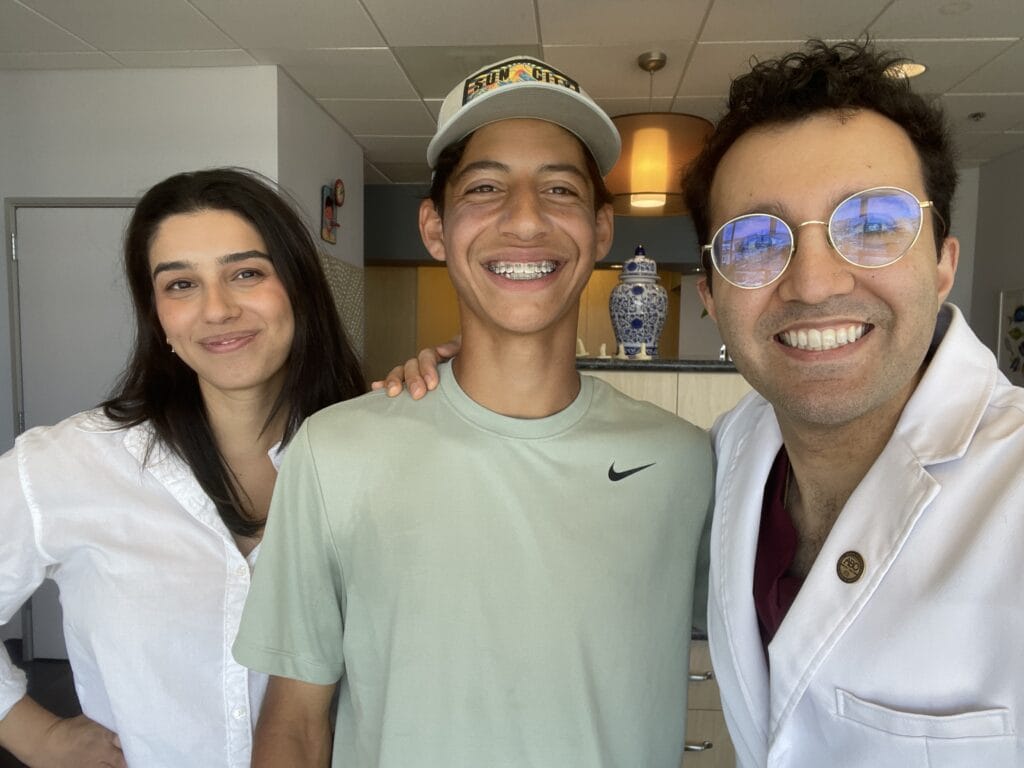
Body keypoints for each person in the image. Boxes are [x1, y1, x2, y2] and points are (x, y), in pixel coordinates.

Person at [233, 55, 713, 768]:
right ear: (434, 228)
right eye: (487, 187)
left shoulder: (685, 459)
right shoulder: (334, 451)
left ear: (601, 230)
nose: (525, 218)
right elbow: (296, 723)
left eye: (559, 188)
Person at [684, 40, 1024, 767]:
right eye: (753, 241)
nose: (812, 283)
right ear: (711, 296)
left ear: (941, 264)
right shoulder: (726, 455)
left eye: (871, 225)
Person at [0, 168, 365, 767]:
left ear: (298, 288)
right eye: (180, 285)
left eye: (246, 273)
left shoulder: (372, 458)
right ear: (157, 316)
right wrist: (34, 734)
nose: (216, 310)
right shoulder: (71, 463)